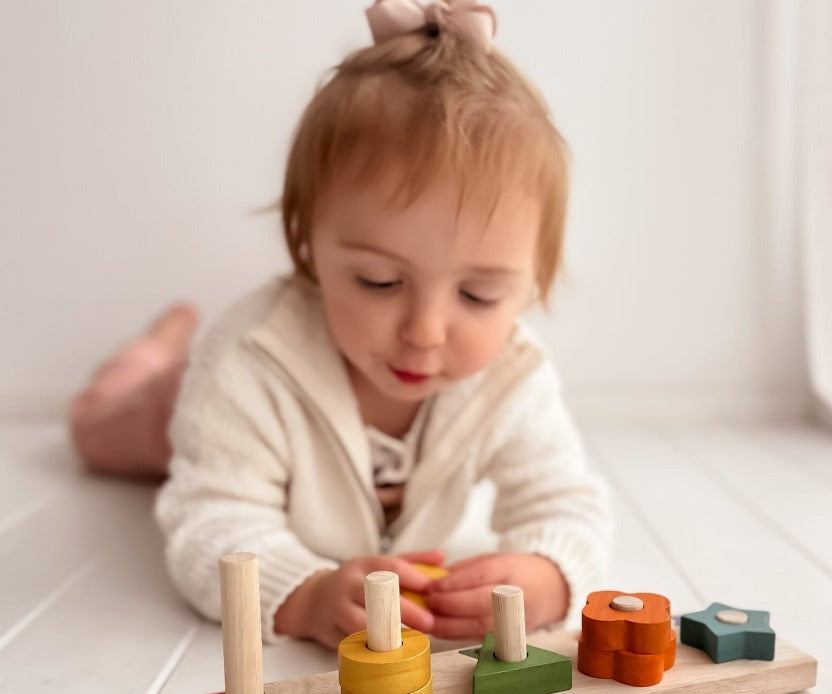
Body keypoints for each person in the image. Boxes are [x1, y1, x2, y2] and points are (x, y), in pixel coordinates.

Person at [69, 0, 612, 650]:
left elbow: (567, 504)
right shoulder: (248, 362)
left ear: (531, 282)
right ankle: (151, 357)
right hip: (188, 413)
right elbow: (210, 518)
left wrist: (548, 574)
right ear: (308, 244)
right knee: (99, 428)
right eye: (380, 282)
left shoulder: (512, 378)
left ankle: (162, 352)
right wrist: (303, 594)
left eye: (479, 293)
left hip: (237, 424)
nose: (425, 332)